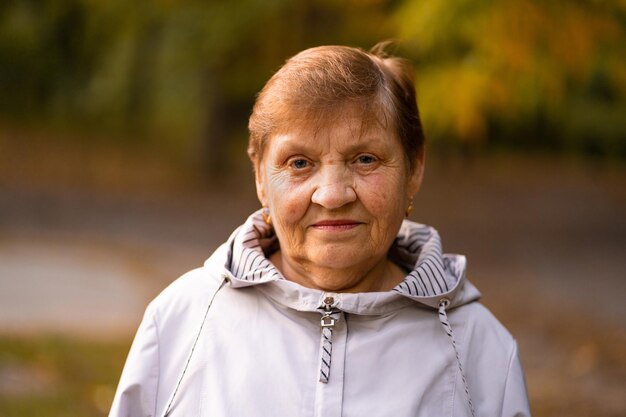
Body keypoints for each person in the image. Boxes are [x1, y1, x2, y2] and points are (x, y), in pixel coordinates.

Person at [109, 44, 531, 417]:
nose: (331, 195)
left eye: (365, 159)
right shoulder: (180, 323)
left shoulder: (481, 350)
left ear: (414, 167)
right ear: (260, 178)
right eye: (299, 163)